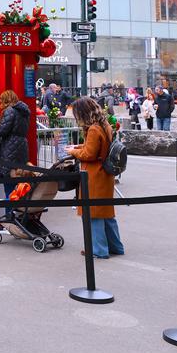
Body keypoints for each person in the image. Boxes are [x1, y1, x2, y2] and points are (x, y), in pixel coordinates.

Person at [65, 97, 124, 259]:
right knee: (106, 213)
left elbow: (89, 154)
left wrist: (73, 151)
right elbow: (97, 147)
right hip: (106, 174)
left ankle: (99, 250)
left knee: (93, 214)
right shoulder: (104, 125)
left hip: (94, 175)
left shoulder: (92, 129)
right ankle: (116, 247)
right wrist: (77, 146)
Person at [0, 90, 30, 205]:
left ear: (5, 100)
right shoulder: (23, 111)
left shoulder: (9, 110)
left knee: (9, 186)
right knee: (18, 183)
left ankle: (9, 213)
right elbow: (15, 127)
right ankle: (17, 212)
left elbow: (2, 131)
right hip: (22, 148)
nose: (0, 102)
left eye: (1, 100)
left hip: (10, 148)